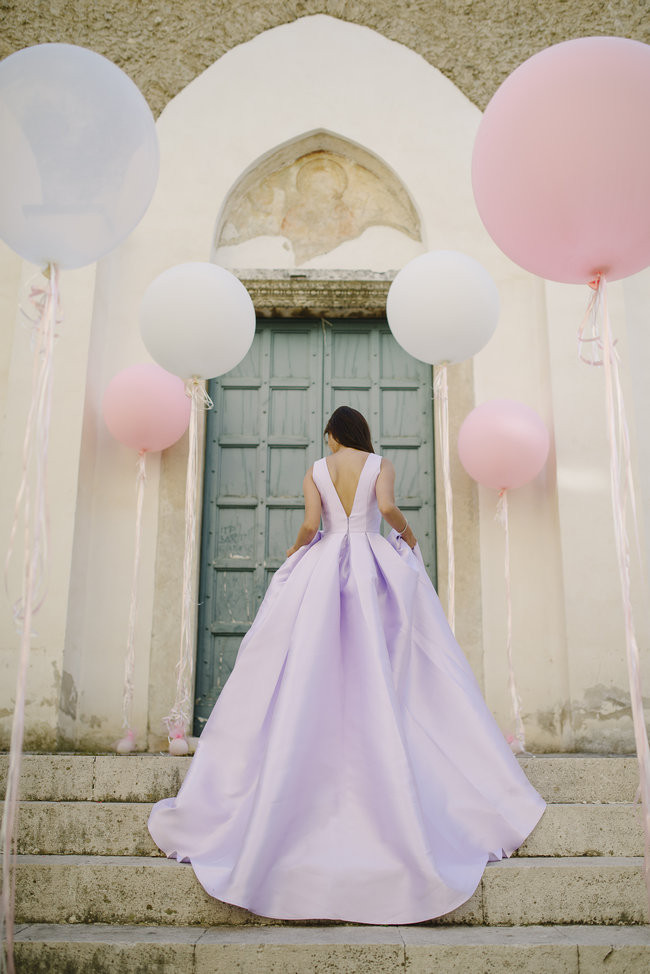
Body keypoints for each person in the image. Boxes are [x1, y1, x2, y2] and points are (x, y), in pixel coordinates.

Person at [148, 405, 546, 925]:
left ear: (333, 435)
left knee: (305, 657)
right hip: (369, 560)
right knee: (382, 657)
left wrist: (294, 553)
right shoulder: (380, 463)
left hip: (323, 567)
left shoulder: (317, 468)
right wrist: (406, 535)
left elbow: (312, 526)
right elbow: (387, 508)